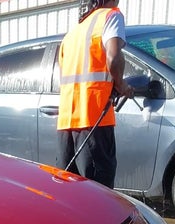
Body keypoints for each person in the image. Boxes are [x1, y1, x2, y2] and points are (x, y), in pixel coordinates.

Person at [56, 0, 134, 188]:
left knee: (68, 190)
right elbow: (114, 58)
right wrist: (122, 85)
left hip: (66, 122)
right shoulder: (111, 15)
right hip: (94, 119)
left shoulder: (74, 32)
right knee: (99, 191)